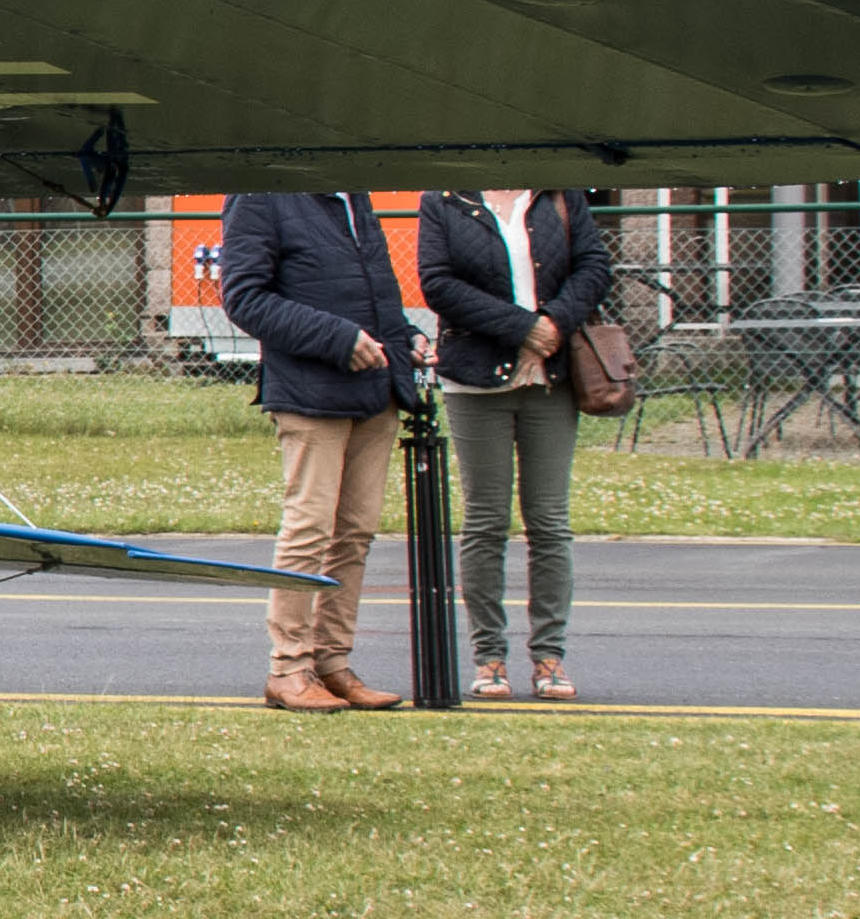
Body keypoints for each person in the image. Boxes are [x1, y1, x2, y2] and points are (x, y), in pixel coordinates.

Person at [218, 190, 419, 712]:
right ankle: (287, 668)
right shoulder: (261, 196)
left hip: (376, 389)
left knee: (355, 531)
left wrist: (405, 340)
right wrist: (338, 338)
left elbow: (373, 290)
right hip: (311, 393)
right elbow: (245, 299)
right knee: (309, 529)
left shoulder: (354, 194)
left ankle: (331, 664)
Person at [416, 189, 616, 702]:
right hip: (476, 380)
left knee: (549, 521)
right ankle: (490, 658)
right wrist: (522, 327)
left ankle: (550, 656)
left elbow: (593, 265)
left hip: (551, 379)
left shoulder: (559, 193)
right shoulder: (443, 199)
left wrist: (554, 324)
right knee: (485, 520)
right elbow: (437, 283)